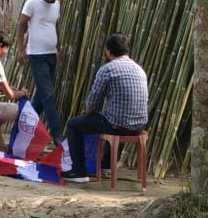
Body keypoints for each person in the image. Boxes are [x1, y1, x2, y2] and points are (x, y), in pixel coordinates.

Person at [60, 33, 148, 183]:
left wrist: (87, 113)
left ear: (108, 52)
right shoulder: (140, 70)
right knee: (110, 115)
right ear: (127, 51)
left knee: (74, 124)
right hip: (140, 125)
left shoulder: (107, 69)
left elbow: (92, 103)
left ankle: (79, 171)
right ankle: (107, 164)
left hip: (117, 125)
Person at [16, 0, 66, 144]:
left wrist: (58, 49)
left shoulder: (57, 5)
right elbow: (21, 25)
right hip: (36, 55)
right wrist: (21, 50)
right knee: (49, 95)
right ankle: (57, 135)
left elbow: (55, 26)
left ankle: (24, 127)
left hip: (51, 54)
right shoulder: (32, 3)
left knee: (42, 96)